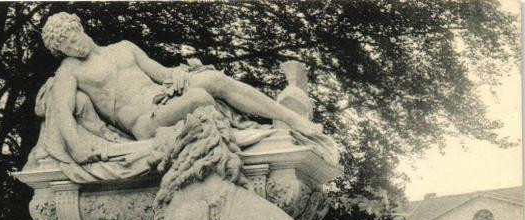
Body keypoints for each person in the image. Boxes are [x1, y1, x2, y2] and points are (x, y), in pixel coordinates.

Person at [42, 12, 324, 165]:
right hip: (144, 121)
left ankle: (292, 120)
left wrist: (177, 76)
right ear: (60, 52)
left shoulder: (124, 47)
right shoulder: (71, 70)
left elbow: (162, 73)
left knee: (213, 79)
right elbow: (63, 113)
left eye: (72, 36)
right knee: (199, 96)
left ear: (80, 27)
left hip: (164, 97)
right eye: (65, 45)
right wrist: (78, 149)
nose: (73, 45)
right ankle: (243, 135)